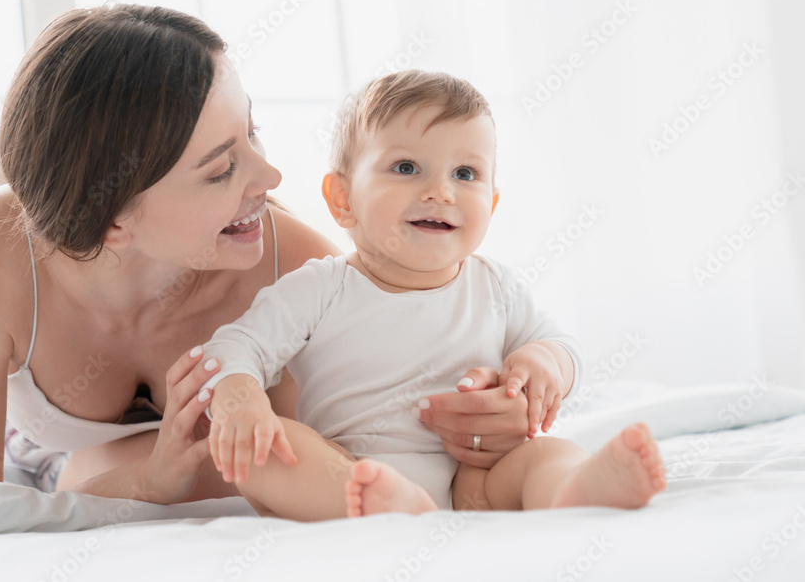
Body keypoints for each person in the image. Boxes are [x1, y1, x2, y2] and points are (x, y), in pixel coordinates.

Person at [0, 4, 522, 502]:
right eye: (221, 170)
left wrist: (485, 414)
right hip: (47, 460)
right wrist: (145, 481)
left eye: (251, 133)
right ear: (112, 220)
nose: (272, 178)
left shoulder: (298, 269)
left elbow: (366, 439)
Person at [201, 70, 668, 519]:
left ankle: (574, 488)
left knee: (546, 453)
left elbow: (563, 347)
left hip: (476, 481)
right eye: (406, 167)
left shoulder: (495, 286)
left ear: (491, 204)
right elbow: (235, 345)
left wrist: (546, 361)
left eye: (465, 173)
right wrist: (242, 394)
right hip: (348, 467)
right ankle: (375, 504)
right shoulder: (320, 288)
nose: (441, 191)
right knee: (262, 448)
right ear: (343, 199)